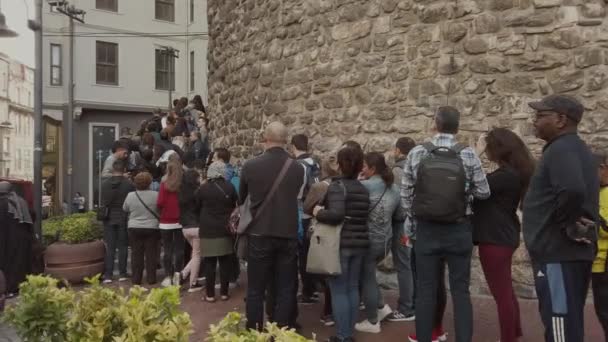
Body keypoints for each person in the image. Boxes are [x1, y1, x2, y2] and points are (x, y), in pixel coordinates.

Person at [403, 106, 490, 342]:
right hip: (459, 229)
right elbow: (484, 192)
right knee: (461, 291)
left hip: (426, 230)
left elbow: (406, 195)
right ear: (458, 126)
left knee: (425, 291)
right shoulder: (468, 154)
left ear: (435, 124)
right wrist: (465, 192)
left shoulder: (417, 152)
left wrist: (411, 228)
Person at [523, 94, 599, 342]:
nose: (534, 121)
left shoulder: (561, 149)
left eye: (541, 115)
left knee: (560, 323)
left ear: (561, 120)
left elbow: (573, 189)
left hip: (557, 256)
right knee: (568, 320)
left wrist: (568, 225)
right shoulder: (572, 148)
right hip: (563, 256)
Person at [240, 122, 304, 330]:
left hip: (260, 232)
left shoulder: (250, 166)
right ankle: (281, 331)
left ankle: (254, 330)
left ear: (265, 138)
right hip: (287, 232)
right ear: (285, 140)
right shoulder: (297, 168)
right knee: (286, 287)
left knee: (256, 288)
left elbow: (242, 199)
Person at [472, 128, 534, 342]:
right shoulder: (511, 173)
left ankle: (508, 338)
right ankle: (513, 333)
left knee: (502, 294)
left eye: (488, 146)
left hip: (495, 239)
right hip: (504, 236)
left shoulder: (503, 177)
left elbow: (474, 186)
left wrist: (475, 154)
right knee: (506, 290)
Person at [312, 147, 370, 342]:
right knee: (352, 288)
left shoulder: (338, 186)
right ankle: (348, 333)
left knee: (339, 290)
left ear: (340, 164)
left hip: (341, 244)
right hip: (360, 243)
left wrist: (318, 212)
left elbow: (336, 215)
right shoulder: (363, 187)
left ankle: (343, 335)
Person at [355, 152, 404, 334]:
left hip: (368, 240)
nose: (362, 169)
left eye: (365, 166)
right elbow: (400, 215)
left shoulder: (364, 186)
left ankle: (373, 321)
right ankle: (382, 306)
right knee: (369, 274)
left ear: (373, 168)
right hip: (386, 241)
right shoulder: (394, 188)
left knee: (366, 277)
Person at [196, 161, 238, 301]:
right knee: (225, 262)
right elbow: (234, 205)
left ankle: (210, 294)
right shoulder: (229, 187)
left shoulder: (203, 188)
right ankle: (224, 293)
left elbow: (197, 206)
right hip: (225, 229)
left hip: (207, 229)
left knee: (209, 263)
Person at [387, 137, 417, 322]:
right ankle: (413, 302)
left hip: (402, 224)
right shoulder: (418, 167)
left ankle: (406, 308)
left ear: (398, 150)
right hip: (416, 222)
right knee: (411, 264)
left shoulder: (398, 171)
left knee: (403, 264)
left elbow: (396, 201)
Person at [290, 134, 321, 304]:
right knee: (310, 253)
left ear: (293, 146)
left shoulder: (298, 165)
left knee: (302, 254)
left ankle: (308, 292)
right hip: (314, 212)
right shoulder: (315, 162)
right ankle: (313, 288)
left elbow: (297, 191)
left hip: (301, 213)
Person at [122, 172, 160, 286]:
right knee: (151, 254)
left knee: (136, 254)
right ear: (149, 182)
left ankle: (136, 279)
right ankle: (151, 278)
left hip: (134, 227)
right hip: (152, 227)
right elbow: (159, 209)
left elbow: (125, 209)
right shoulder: (155, 195)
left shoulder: (130, 195)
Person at [100, 160, 135, 284]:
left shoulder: (104, 184)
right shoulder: (129, 184)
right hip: (123, 217)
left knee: (110, 247)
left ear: (113, 169)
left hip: (108, 218)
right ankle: (122, 273)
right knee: (123, 246)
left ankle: (108, 275)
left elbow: (103, 201)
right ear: (124, 169)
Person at [0, 181, 33, 296]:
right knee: (21, 263)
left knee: (6, 264)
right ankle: (20, 286)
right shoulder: (20, 201)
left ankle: (9, 288)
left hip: (5, 240)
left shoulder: (2, 202)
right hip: (22, 239)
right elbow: (31, 217)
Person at [157, 160, 185, 287]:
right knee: (179, 249)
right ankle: (178, 274)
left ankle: (168, 275)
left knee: (167, 249)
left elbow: (160, 202)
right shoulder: (182, 184)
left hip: (165, 220)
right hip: (180, 220)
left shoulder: (164, 183)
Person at [179, 169, 204, 292]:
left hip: (185, 227)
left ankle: (183, 274)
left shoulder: (181, 193)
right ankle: (192, 283)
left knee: (196, 254)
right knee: (198, 255)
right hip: (197, 226)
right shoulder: (198, 192)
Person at [592, 150, 608, 341]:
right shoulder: (597, 191)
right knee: (602, 312)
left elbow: (605, 229)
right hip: (596, 263)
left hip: (604, 265)